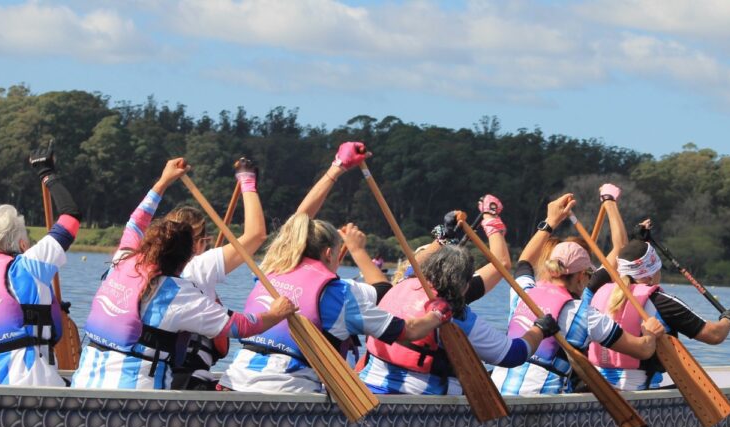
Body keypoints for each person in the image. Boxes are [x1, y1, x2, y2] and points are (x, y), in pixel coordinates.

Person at [218, 142, 454, 394]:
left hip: (234, 381)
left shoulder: (271, 268)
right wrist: (437, 315)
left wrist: (337, 167)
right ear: (330, 253)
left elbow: (298, 221)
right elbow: (407, 330)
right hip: (288, 391)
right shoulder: (340, 295)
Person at [71, 159, 296, 391]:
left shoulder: (122, 260)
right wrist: (276, 313)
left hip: (85, 384)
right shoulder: (180, 291)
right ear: (191, 253)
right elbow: (240, 326)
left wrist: (163, 181)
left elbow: (136, 222)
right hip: (140, 397)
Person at [490, 192, 665, 395]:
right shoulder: (585, 315)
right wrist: (651, 334)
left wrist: (551, 221)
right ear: (582, 276)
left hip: (497, 394)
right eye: (589, 273)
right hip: (546, 403)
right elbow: (643, 349)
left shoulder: (523, 292)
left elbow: (524, 262)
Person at [357, 244, 560, 395]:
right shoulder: (456, 315)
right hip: (420, 399)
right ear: (463, 285)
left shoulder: (401, 286)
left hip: (367, 389)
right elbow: (513, 354)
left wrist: (442, 237)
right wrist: (540, 330)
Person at [0, 141, 80, 386]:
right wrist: (48, 175)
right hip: (30, 381)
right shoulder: (29, 264)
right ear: (19, 241)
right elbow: (71, 217)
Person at [588, 219, 730, 389]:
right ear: (649, 275)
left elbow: (626, 253)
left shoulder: (598, 289)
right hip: (637, 391)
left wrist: (639, 241)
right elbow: (714, 335)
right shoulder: (662, 302)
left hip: (597, 385)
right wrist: (729, 320)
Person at [164, 157, 268, 390]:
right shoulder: (198, 266)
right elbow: (257, 235)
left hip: (161, 374)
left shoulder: (153, 264)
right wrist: (247, 180)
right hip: (186, 381)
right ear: (198, 243)